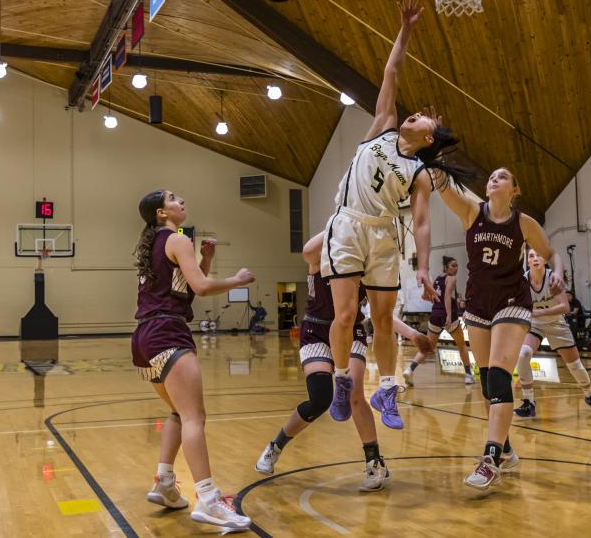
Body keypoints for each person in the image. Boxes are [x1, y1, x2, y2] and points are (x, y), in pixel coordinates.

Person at [321, 0, 468, 430]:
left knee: (384, 319)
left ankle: (388, 388)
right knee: (345, 315)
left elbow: (421, 224)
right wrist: (405, 29)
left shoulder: (420, 173)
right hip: (347, 225)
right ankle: (343, 380)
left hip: (384, 235)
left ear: (429, 138)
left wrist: (423, 268)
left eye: (424, 117)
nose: (415, 113)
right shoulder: (383, 125)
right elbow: (392, 70)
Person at [255, 233, 432, 489]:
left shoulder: (366, 270)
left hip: (351, 331)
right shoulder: (323, 257)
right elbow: (307, 250)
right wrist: (344, 220)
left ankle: (374, 462)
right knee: (320, 398)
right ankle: (276, 445)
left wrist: (413, 334)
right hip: (316, 330)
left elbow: (381, 316)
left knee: (355, 392)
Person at [132, 190, 255, 530]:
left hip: (143, 338)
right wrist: (237, 280)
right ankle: (209, 499)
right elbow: (200, 288)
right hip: (166, 333)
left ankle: (164, 482)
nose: (181, 199)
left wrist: (207, 260)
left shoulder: (157, 244)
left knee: (177, 412)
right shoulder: (177, 239)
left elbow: (183, 287)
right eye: (173, 198)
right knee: (194, 417)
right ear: (161, 212)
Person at [436, 167, 562, 489]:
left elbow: (550, 254)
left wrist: (557, 272)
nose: (494, 179)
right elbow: (443, 187)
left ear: (514, 189)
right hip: (478, 303)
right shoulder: (470, 211)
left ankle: (491, 458)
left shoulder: (523, 223)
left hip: (511, 301)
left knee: (499, 377)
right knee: (487, 384)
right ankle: (506, 449)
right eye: (491, 176)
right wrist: (433, 161)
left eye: (502, 176)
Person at [516, 249, 591, 419]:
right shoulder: (523, 280)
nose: (535, 259)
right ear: (527, 262)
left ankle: (590, 395)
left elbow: (565, 307)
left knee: (575, 365)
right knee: (523, 354)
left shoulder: (552, 278)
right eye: (531, 256)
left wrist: (539, 313)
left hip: (556, 324)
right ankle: (529, 402)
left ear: (545, 260)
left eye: (538, 255)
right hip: (535, 325)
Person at [404, 256, 475, 386]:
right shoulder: (451, 279)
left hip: (435, 315)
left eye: (457, 265)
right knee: (461, 346)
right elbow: (447, 297)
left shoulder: (437, 279)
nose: (456, 268)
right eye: (453, 265)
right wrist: (448, 315)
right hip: (448, 316)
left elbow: (428, 297)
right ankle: (468, 375)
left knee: (428, 348)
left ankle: (410, 369)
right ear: (446, 267)